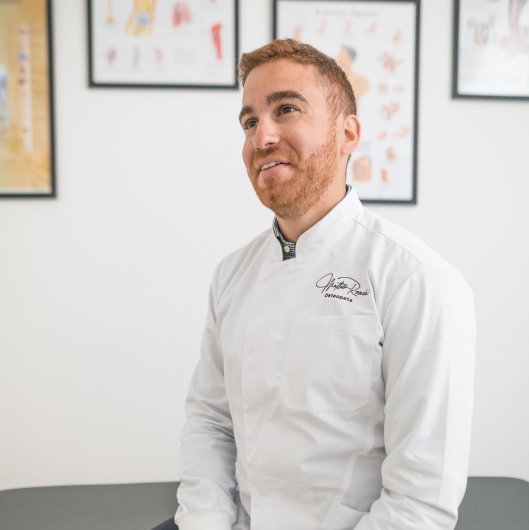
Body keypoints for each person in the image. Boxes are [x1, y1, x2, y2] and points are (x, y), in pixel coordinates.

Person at [153, 38, 475, 530]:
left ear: (348, 133)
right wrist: (205, 520)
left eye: (286, 109)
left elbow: (420, 501)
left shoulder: (418, 281)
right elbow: (210, 423)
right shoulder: (231, 275)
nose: (262, 137)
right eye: (249, 122)